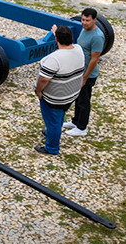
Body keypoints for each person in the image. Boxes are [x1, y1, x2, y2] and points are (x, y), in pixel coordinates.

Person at [35, 25, 86, 155]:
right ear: (71, 38)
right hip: (71, 94)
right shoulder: (79, 49)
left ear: (56, 39)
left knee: (53, 121)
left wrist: (38, 91)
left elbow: (43, 80)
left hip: (55, 98)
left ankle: (51, 148)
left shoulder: (53, 59)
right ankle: (52, 132)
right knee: (59, 116)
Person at [64, 8, 104, 137]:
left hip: (87, 74)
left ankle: (81, 128)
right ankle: (75, 121)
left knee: (84, 101)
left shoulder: (97, 37)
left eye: (87, 20)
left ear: (94, 20)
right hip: (79, 71)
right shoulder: (84, 29)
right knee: (78, 98)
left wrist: (85, 77)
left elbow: (94, 59)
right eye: (83, 19)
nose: (84, 23)